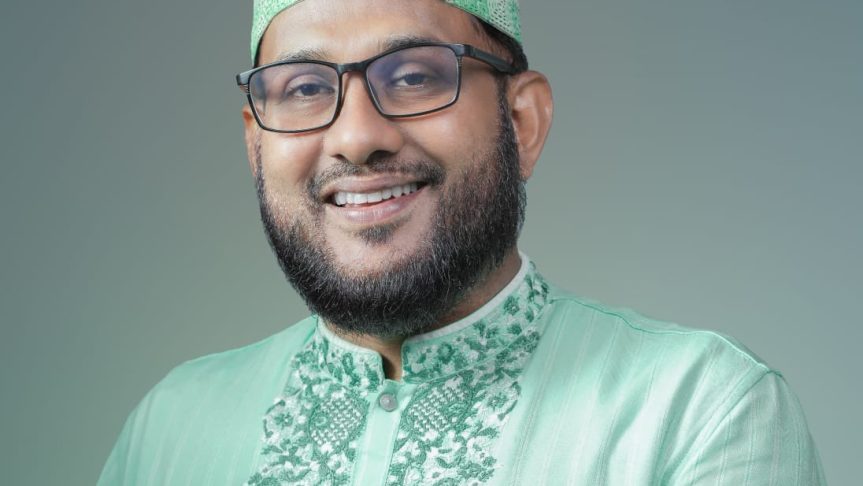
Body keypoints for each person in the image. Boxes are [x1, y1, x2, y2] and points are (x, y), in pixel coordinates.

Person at [98, 0, 826, 484]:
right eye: (305, 89)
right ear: (256, 146)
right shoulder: (172, 429)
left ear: (522, 121)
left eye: (414, 76)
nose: (356, 137)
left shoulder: (696, 411)